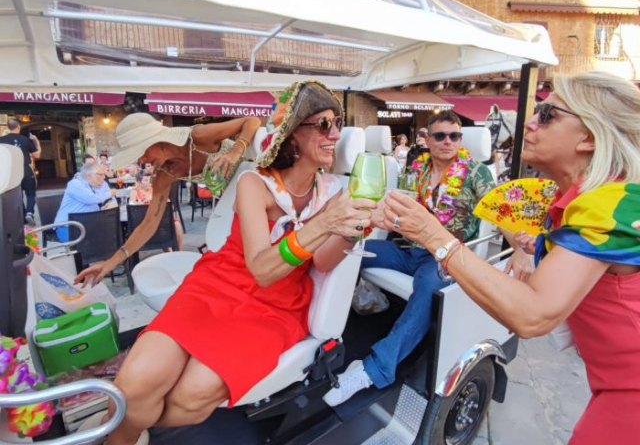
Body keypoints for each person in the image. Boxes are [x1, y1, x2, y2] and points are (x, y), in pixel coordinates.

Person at [86, 81, 376, 445]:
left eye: (337, 124)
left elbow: (322, 260)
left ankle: (119, 423)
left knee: (189, 398)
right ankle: (122, 429)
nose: (335, 134)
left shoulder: (332, 192)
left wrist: (352, 232)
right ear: (292, 135)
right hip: (218, 284)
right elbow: (261, 269)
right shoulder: (254, 183)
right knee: (134, 384)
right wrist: (324, 224)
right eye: (323, 124)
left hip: (276, 308)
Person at [376, 71, 640, 444]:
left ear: (590, 137)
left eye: (547, 115)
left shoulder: (608, 203)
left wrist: (435, 236)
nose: (529, 122)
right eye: (439, 136)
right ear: (427, 140)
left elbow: (534, 313)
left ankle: (380, 366)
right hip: (610, 380)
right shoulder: (579, 200)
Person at [324, 110, 532, 406]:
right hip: (405, 248)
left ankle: (374, 369)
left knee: (428, 290)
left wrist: (520, 249)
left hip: (442, 256)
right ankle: (332, 327)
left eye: (455, 136)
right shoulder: (416, 168)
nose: (448, 141)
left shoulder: (475, 172)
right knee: (349, 252)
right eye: (441, 136)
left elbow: (501, 212)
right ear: (428, 139)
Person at [74, 112, 262, 285]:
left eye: (142, 152)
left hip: (262, 182)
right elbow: (149, 224)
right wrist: (111, 262)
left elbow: (251, 121)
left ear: (156, 140)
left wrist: (235, 151)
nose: (142, 160)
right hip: (236, 202)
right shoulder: (165, 174)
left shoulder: (197, 136)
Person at [54, 164, 118, 242]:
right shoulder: (75, 184)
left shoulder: (98, 184)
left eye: (104, 174)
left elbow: (111, 200)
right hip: (68, 227)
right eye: (101, 174)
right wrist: (110, 193)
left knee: (113, 235)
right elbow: (92, 199)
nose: (104, 177)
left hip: (88, 224)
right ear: (88, 176)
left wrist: (106, 206)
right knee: (98, 241)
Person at [129, 170, 184, 251]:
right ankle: (169, 251)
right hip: (144, 220)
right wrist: (141, 203)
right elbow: (132, 205)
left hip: (161, 218)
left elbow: (169, 204)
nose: (149, 183)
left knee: (177, 225)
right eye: (146, 180)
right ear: (139, 182)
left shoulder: (156, 189)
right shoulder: (135, 191)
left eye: (150, 180)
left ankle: (179, 252)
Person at [0, 119, 40, 226]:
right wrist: (37, 142)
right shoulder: (26, 140)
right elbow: (37, 155)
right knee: (30, 194)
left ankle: (22, 217)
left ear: (8, 127)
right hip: (25, 169)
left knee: (17, 196)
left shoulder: (1, 140)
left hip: (11, 172)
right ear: (18, 126)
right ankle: (29, 213)